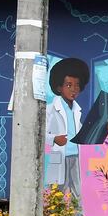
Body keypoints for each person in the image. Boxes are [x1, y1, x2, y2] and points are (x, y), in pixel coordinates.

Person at [45, 57, 92, 199]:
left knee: (76, 191)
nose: (74, 89)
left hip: (75, 156)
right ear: (59, 87)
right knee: (57, 191)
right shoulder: (50, 109)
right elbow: (39, 133)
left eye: (77, 85)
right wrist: (54, 139)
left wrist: (105, 127)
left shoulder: (76, 110)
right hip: (59, 155)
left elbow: (84, 131)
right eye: (69, 85)